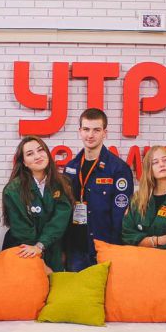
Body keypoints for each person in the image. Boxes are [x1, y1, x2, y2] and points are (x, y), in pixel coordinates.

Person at [62, 108, 134, 271]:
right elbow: (64, 210)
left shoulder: (118, 169)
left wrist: (115, 250)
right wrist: (64, 248)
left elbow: (120, 215)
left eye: (96, 130)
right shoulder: (71, 168)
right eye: (86, 129)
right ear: (80, 131)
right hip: (76, 249)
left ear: (104, 133)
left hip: (105, 248)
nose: (90, 135)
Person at [3, 136, 74, 272]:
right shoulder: (13, 190)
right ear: (24, 162)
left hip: (53, 250)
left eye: (40, 150)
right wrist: (40, 262)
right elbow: (22, 231)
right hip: (23, 252)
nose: (37, 156)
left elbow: (59, 222)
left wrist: (41, 246)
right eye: (30, 154)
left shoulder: (62, 184)